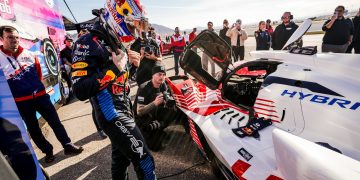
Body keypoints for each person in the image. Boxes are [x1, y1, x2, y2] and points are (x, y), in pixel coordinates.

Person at [71, 2, 156, 179]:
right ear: (119, 17)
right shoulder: (86, 42)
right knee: (145, 159)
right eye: (134, 24)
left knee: (121, 159)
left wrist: (133, 67)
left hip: (124, 108)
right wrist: (115, 69)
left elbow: (121, 82)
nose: (136, 30)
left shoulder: (114, 39)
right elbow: (79, 90)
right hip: (111, 113)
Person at [0, 26, 83, 164]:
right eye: (10, 37)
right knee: (34, 130)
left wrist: (39, 91)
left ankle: (67, 145)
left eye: (16, 37)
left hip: (40, 96)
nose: (14, 40)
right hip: (21, 102)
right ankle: (47, 151)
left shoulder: (29, 54)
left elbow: (39, 74)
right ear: (1, 39)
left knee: (56, 122)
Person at [134, 62, 178, 151]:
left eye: (163, 75)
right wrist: (155, 103)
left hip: (154, 112)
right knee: (156, 147)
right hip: (143, 118)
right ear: (153, 75)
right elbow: (139, 111)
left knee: (174, 111)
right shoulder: (143, 88)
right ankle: (149, 131)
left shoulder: (163, 84)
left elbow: (167, 96)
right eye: (159, 74)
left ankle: (160, 127)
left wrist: (168, 99)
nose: (162, 77)